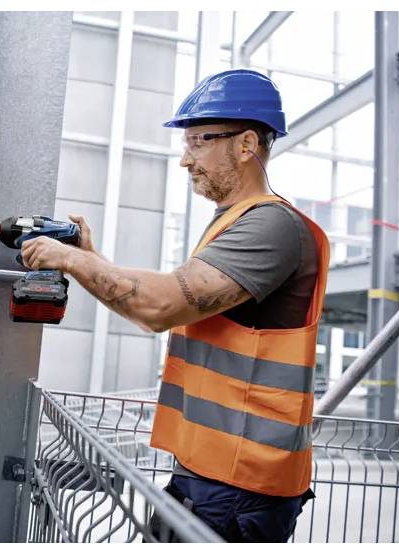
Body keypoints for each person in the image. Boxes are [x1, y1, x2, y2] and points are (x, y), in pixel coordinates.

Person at [20, 69, 330, 542]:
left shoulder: (271, 227)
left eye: (199, 142)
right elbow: (168, 303)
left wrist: (70, 258)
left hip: (239, 484)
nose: (186, 160)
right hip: (215, 474)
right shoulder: (235, 222)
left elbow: (160, 306)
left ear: (246, 145)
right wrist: (91, 259)